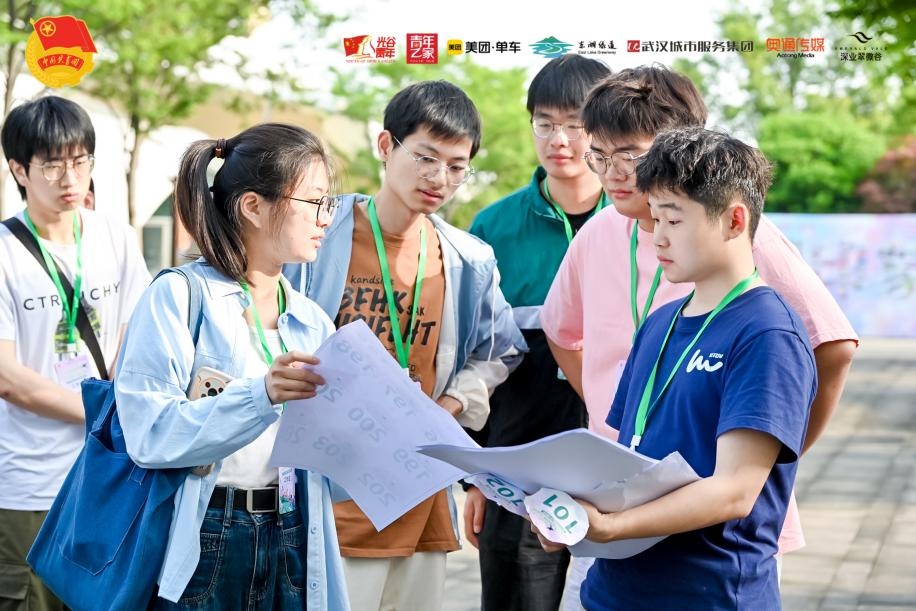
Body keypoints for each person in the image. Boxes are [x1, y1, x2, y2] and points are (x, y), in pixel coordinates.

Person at [540, 66, 859, 608]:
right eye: (601, 156)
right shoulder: (627, 268)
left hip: (709, 555)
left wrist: (769, 442)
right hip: (618, 531)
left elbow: (830, 347)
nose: (614, 173)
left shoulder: (753, 272)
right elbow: (563, 334)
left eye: (630, 155)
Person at [284, 80, 526, 611]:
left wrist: (451, 405)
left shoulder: (466, 258)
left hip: (420, 491)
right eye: (426, 157)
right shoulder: (318, 232)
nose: (440, 178)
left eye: (457, 167)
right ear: (385, 145)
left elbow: (501, 348)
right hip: (331, 488)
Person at [114, 123, 349, 609]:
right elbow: (150, 433)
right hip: (209, 532)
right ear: (252, 207)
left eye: (328, 203)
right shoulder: (179, 296)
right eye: (313, 202)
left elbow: (332, 472)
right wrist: (261, 394)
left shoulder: (311, 319)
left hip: (293, 529)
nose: (326, 218)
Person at [465, 54, 610, 611]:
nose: (559, 140)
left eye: (575, 124)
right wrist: (479, 476)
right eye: (544, 124)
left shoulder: (642, 220)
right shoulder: (492, 228)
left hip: (616, 460)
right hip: (519, 465)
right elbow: (478, 355)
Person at [0, 96, 149, 611]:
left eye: (80, 161)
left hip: (108, 473)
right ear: (19, 169)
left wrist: (120, 414)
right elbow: (7, 378)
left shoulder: (116, 237)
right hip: (31, 481)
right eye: (52, 165)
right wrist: (109, 412)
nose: (70, 178)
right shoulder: (4, 253)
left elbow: (134, 335)